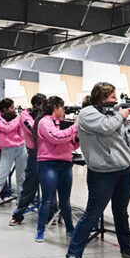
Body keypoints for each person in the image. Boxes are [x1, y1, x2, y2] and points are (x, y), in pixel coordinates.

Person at [65, 82, 130, 258]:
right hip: (102, 173)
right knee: (92, 214)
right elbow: (105, 127)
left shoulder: (115, 115)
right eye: (112, 97)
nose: (116, 100)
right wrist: (120, 114)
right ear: (101, 98)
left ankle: (128, 249)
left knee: (121, 212)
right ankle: (73, 253)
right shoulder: (87, 114)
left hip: (125, 169)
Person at [34, 96, 79, 243]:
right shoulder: (44, 122)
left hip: (65, 163)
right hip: (48, 163)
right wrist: (75, 127)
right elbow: (57, 138)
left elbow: (71, 145)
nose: (64, 110)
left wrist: (78, 136)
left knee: (65, 200)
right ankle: (40, 230)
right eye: (62, 107)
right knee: (47, 199)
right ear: (55, 107)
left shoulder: (62, 123)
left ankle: (70, 228)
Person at [8, 94, 50, 227]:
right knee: (29, 186)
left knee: (50, 186)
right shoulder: (26, 116)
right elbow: (35, 130)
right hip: (34, 154)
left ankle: (51, 214)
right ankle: (18, 214)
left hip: (48, 153)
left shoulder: (45, 116)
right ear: (37, 105)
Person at [0, 98, 28, 215]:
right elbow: (6, 128)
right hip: (8, 150)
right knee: (1, 178)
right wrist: (17, 119)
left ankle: (20, 203)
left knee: (21, 178)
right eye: (11, 108)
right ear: (5, 108)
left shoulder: (15, 117)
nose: (13, 110)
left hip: (21, 148)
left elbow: (20, 130)